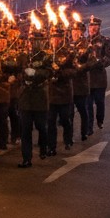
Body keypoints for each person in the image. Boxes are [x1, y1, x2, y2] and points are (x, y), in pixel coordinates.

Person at [8, 27, 51, 168]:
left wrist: (36, 74)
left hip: (39, 96)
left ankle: (43, 147)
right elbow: (17, 71)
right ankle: (26, 158)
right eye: (32, 41)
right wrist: (22, 77)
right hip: (26, 97)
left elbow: (48, 73)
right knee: (25, 129)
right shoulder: (23, 57)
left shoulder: (46, 56)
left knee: (41, 126)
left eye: (37, 41)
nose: (34, 44)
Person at [46, 24, 76, 155]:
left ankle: (68, 140)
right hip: (51, 93)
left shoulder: (69, 52)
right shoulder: (47, 53)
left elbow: (74, 70)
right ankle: (51, 147)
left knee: (65, 120)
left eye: (58, 38)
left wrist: (60, 73)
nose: (55, 41)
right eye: (53, 38)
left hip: (64, 93)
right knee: (50, 122)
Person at [86, 15, 110, 133]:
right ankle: (89, 126)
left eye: (95, 26)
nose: (92, 28)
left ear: (99, 27)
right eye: (91, 26)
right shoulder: (84, 42)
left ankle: (100, 119)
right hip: (87, 78)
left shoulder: (105, 41)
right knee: (88, 104)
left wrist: (100, 63)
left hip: (99, 78)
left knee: (99, 102)